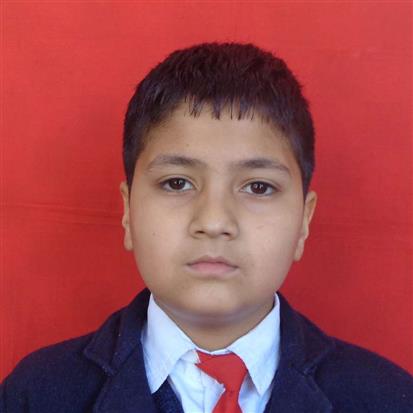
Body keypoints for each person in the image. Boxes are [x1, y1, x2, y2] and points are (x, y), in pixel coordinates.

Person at [1, 42, 412, 413]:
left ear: (304, 220)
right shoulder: (35, 395)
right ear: (127, 211)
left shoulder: (389, 398)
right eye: (177, 183)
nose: (214, 222)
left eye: (258, 187)